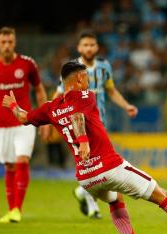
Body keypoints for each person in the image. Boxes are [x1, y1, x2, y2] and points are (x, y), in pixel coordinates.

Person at [2, 60, 167, 234]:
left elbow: (24, 117)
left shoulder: (51, 107)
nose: (89, 82)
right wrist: (83, 140)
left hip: (86, 177)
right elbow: (77, 117)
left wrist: (12, 105)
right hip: (109, 166)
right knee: (161, 195)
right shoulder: (85, 95)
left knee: (115, 200)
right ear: (81, 78)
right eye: (86, 77)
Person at [54, 31, 138, 219]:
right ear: (79, 48)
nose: (89, 48)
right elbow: (59, 95)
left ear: (97, 47)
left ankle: (83, 193)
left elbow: (111, 90)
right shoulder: (72, 69)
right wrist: (50, 119)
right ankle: (92, 206)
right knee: (89, 162)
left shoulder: (104, 67)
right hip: (78, 124)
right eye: (85, 45)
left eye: (92, 45)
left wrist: (127, 106)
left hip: (99, 123)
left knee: (98, 164)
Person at [0, 26, 48, 223]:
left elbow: (40, 91)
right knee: (9, 165)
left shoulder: (27, 64)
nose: (7, 45)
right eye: (3, 42)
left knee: (22, 161)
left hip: (25, 122)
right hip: (2, 125)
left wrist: (45, 120)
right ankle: (11, 209)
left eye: (10, 42)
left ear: (14, 43)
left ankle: (17, 209)